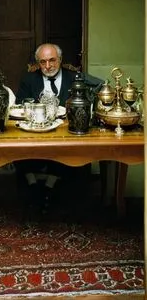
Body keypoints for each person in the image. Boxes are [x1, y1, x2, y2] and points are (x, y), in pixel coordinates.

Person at [14, 43, 102, 214]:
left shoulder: (75, 78)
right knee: (16, 148)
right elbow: (20, 105)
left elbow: (96, 90)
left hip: (65, 133)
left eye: (52, 60)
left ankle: (47, 187)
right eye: (43, 62)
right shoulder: (28, 79)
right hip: (35, 134)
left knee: (66, 150)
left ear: (60, 60)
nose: (48, 66)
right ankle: (33, 186)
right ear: (38, 63)